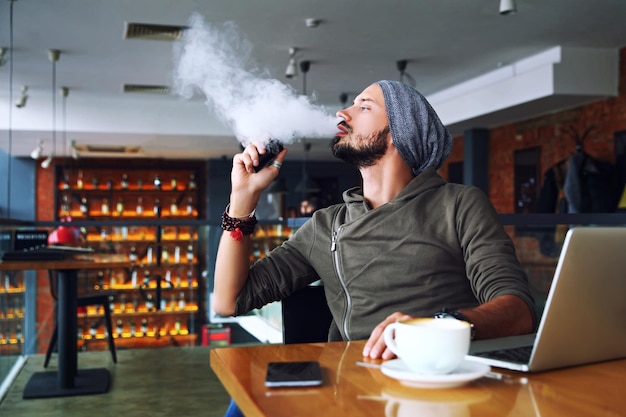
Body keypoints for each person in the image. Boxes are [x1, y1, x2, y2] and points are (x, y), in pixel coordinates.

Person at [214, 80, 536, 416]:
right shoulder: (326, 226)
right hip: (352, 385)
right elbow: (229, 301)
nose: (343, 113)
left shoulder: (459, 204)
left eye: (364, 106)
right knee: (243, 403)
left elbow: (518, 311)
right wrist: (243, 199)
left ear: (399, 131)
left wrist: (437, 328)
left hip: (440, 385)